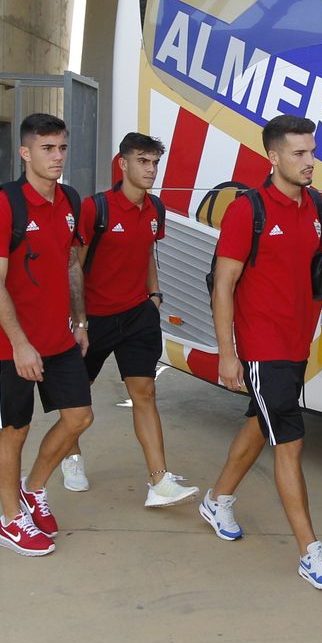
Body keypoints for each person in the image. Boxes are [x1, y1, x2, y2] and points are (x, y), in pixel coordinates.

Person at [200, 114, 322, 590]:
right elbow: (223, 286)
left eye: (313, 151)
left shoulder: (319, 207)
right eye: (299, 153)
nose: (311, 161)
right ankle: (311, 551)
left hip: (297, 340)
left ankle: (218, 498)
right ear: (273, 156)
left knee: (260, 419)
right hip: (261, 344)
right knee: (289, 439)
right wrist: (229, 355)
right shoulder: (248, 210)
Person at [0, 113, 94, 557]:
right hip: (11, 346)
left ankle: (34, 489)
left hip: (59, 338)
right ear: (25, 152)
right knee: (15, 431)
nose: (57, 156)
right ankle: (10, 521)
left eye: (62, 147)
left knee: (79, 417)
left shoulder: (69, 200)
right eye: (47, 148)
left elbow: (70, 265)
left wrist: (80, 321)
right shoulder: (2, 207)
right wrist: (20, 343)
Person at [62, 132, 198, 508]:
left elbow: (148, 252)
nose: (151, 169)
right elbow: (74, 263)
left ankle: (159, 481)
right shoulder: (96, 208)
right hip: (95, 319)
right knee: (76, 396)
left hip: (138, 315)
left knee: (146, 394)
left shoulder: (156, 208)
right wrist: (79, 320)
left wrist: (154, 296)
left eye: (154, 162)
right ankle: (71, 457)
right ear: (123, 164)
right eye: (143, 161)